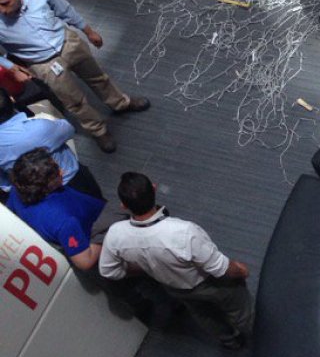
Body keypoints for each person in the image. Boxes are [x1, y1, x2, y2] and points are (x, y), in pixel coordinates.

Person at [99, 172, 253, 349]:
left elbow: (108, 271)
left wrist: (143, 268)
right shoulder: (184, 232)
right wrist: (241, 270)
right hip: (211, 283)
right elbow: (219, 267)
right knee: (239, 309)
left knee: (203, 315)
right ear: (154, 189)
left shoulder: (116, 234)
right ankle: (258, 335)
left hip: (174, 288)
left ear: (124, 205)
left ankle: (229, 340)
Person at [0, 0, 151, 153]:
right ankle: (98, 130)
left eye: (5, 3)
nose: (2, 11)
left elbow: (64, 9)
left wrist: (88, 31)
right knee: (74, 101)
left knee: (98, 77)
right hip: (42, 63)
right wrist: (11, 66)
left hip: (67, 43)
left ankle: (120, 103)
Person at [5, 148, 112, 270]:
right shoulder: (66, 222)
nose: (62, 171)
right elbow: (85, 262)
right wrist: (103, 234)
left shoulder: (18, 189)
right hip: (98, 232)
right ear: (45, 186)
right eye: (56, 173)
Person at [0, 88, 103, 198]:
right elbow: (68, 129)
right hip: (71, 182)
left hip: (31, 195)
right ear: (11, 99)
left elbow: (4, 183)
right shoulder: (39, 128)